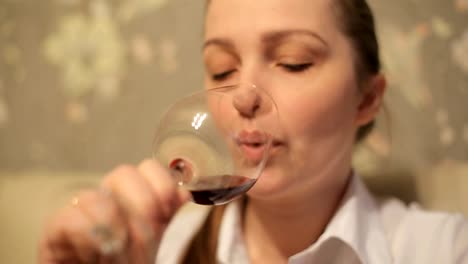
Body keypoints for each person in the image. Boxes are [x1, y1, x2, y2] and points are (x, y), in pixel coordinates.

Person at [38, 0, 468, 263]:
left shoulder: (443, 250)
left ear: (367, 98)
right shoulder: (157, 251)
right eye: (222, 68)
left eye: (293, 61)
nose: (242, 97)